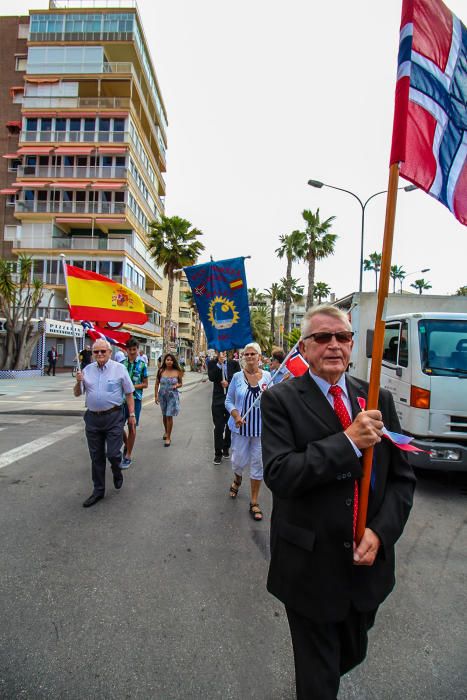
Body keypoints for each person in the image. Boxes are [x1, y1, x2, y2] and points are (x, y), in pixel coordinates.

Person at [261, 304, 416, 699]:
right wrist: (347, 441)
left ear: (351, 344)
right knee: (318, 679)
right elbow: (280, 473)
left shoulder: (376, 395)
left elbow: (402, 479)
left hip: (366, 569)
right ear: (305, 348)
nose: (334, 345)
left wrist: (380, 534)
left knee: (349, 652)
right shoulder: (280, 400)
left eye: (342, 337)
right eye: (322, 337)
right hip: (309, 567)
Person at [74, 339, 136, 508]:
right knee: (96, 457)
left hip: (114, 417)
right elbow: (77, 393)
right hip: (93, 418)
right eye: (96, 352)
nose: (99, 354)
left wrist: (131, 414)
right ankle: (98, 490)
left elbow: (129, 393)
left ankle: (117, 470)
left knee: (114, 454)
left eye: (103, 351)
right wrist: (78, 381)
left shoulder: (119, 369)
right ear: (93, 354)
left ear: (110, 352)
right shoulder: (86, 370)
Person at [225, 342, 271, 521]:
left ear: (259, 357)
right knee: (237, 462)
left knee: (258, 464)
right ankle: (237, 479)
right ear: (243, 357)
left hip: (260, 431)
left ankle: (254, 501)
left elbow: (273, 400)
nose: (250, 357)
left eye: (253, 354)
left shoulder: (268, 376)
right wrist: (236, 415)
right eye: (247, 354)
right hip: (240, 429)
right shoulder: (237, 377)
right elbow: (229, 401)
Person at [207, 350, 241, 464]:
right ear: (217, 352)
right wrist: (218, 365)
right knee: (218, 427)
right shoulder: (212, 363)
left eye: (224, 350)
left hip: (231, 400)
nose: (223, 352)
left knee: (229, 426)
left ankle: (226, 446)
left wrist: (229, 382)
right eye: (220, 351)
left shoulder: (234, 364)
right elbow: (211, 377)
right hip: (218, 400)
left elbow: (239, 379)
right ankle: (218, 453)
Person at [121, 338, 149, 468]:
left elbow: (145, 384)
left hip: (136, 400)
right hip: (121, 400)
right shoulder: (121, 364)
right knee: (117, 426)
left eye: (134, 349)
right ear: (126, 350)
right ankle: (127, 445)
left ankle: (128, 455)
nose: (132, 352)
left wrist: (132, 387)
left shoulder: (143, 365)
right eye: (130, 349)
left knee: (132, 426)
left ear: (138, 350)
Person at [154, 353, 183, 447]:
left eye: (171, 360)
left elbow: (180, 383)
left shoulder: (177, 371)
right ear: (165, 361)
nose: (169, 361)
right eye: (167, 360)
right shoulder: (161, 371)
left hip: (172, 396)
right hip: (162, 396)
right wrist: (156, 396)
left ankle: (168, 437)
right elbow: (156, 384)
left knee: (169, 415)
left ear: (173, 361)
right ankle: (166, 431)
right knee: (164, 415)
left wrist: (176, 385)